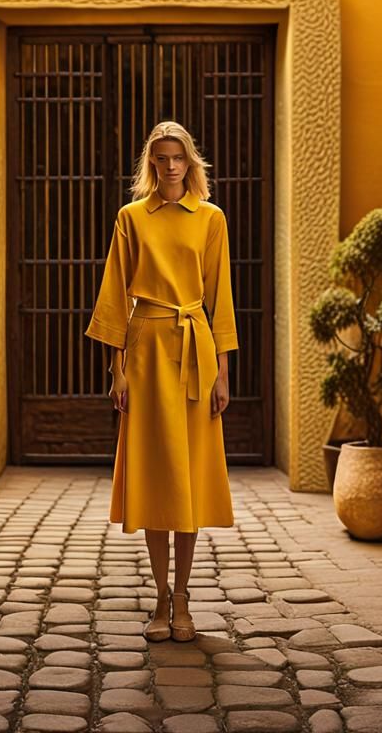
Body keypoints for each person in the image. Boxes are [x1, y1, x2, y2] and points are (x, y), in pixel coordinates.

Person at [85, 120, 238, 642]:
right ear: (151, 164)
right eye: (161, 158)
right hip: (147, 348)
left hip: (195, 349)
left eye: (178, 157)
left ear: (190, 162)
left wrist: (222, 373)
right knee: (155, 477)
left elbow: (221, 300)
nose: (170, 166)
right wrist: (117, 370)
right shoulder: (131, 218)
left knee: (188, 476)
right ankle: (158, 599)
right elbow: (112, 295)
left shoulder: (211, 219)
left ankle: (185, 599)